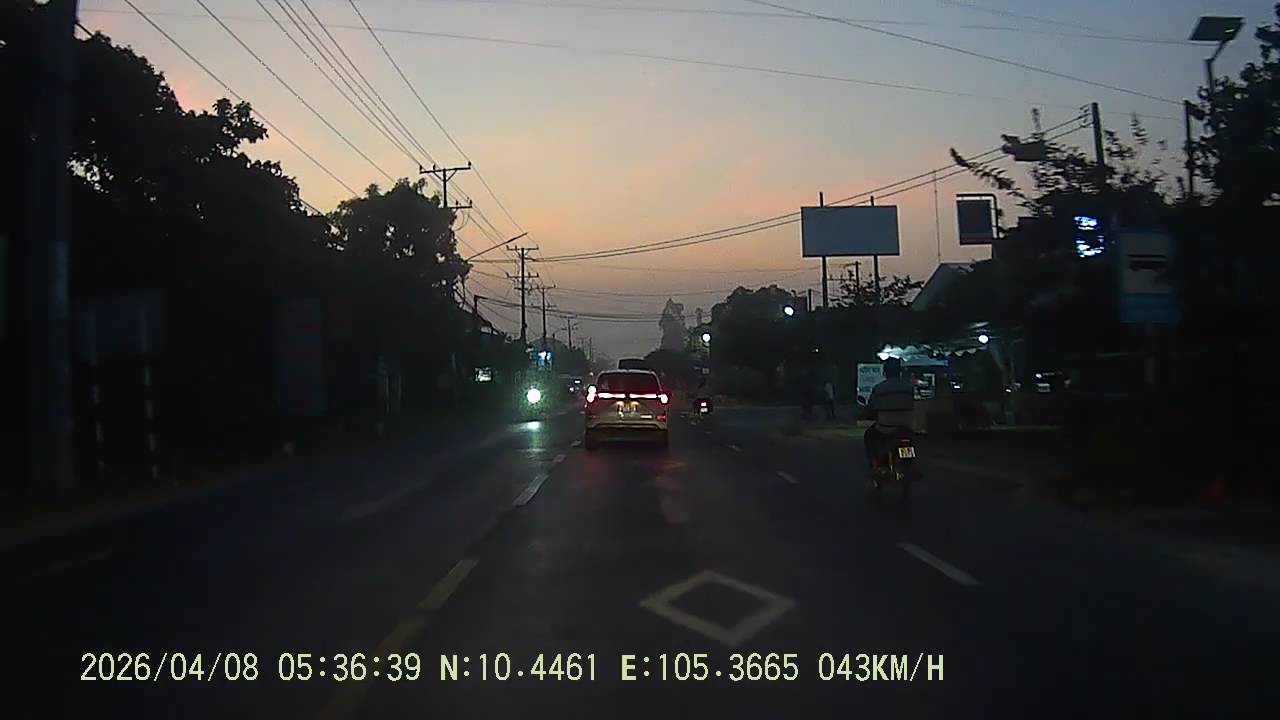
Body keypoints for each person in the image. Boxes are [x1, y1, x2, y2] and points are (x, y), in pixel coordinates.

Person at [863, 357, 914, 472]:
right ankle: (909, 465)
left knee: (869, 436)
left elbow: (872, 407)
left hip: (884, 428)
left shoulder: (879, 389)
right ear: (899, 371)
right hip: (905, 427)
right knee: (909, 442)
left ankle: (875, 464)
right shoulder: (908, 388)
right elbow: (912, 404)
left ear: (885, 372)